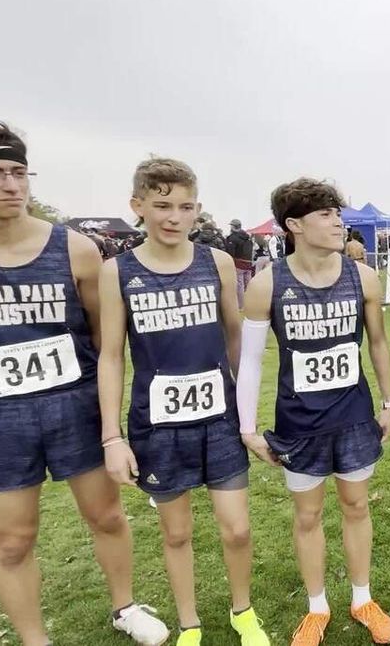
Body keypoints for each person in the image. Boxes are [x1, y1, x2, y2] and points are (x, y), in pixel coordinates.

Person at [0, 122, 168, 646]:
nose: (11, 185)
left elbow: (101, 335)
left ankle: (125, 607)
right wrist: (4, 388)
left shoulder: (76, 249)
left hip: (77, 403)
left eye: (19, 172)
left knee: (107, 515)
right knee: (12, 539)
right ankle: (34, 638)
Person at [97, 158, 270, 646]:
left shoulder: (213, 262)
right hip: (158, 426)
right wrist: (113, 436)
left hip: (219, 420)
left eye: (186, 206)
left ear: (198, 210)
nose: (174, 216)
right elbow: (111, 356)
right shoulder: (116, 272)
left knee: (236, 529)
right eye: (162, 205)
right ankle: (189, 622)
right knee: (176, 534)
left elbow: (236, 340)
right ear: (138, 207)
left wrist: (247, 414)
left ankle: (243, 611)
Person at [237, 178, 390, 646]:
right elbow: (250, 360)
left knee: (355, 506)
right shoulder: (267, 283)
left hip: (353, 418)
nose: (337, 221)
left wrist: (389, 403)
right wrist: (249, 430)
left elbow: (377, 343)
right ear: (294, 225)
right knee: (307, 516)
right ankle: (316, 608)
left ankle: (363, 599)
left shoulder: (362, 276)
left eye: (337, 212)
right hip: (299, 423)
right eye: (326, 214)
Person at [225, 219, 255, 307]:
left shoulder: (232, 238)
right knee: (249, 284)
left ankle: (241, 305)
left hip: (238, 264)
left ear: (233, 227)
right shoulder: (248, 237)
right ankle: (250, 303)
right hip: (248, 263)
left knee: (239, 285)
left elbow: (230, 253)